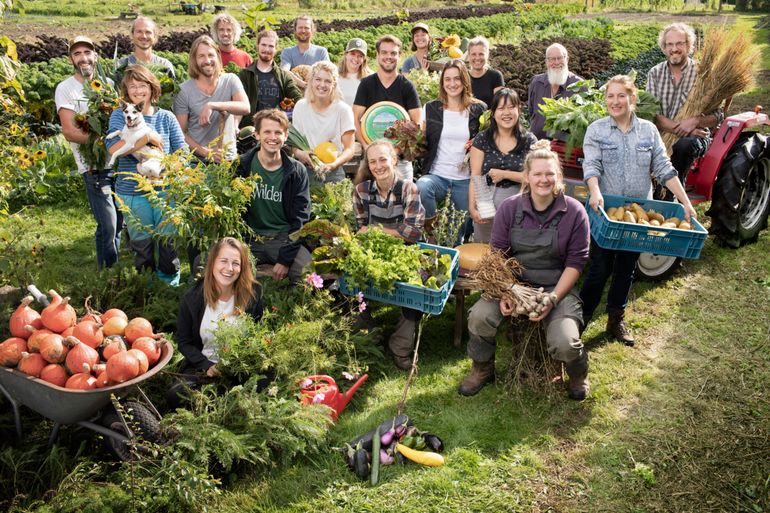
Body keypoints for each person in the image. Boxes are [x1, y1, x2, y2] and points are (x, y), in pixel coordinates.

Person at [459, 139, 591, 400]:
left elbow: (576, 263)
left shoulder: (574, 212)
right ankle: (482, 367)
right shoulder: (510, 209)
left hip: (557, 287)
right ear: (528, 177)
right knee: (479, 317)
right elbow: (498, 256)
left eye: (549, 174)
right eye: (538, 174)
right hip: (513, 283)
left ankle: (578, 373)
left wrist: (552, 299)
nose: (544, 179)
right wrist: (508, 292)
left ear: (559, 177)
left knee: (565, 342)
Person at [580, 75, 697, 346]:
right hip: (606, 212)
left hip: (638, 213)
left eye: (621, 96)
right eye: (610, 96)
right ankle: (581, 319)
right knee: (599, 267)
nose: (615, 101)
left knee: (626, 267)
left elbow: (664, 169)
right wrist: (595, 191)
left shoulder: (648, 131)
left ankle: (615, 319)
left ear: (632, 99)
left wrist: (685, 202)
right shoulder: (596, 130)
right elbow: (592, 166)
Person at [106, 64, 188, 285]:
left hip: (165, 190)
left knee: (167, 242)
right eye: (132, 86)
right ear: (126, 90)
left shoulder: (167, 117)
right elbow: (113, 148)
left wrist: (168, 168)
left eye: (142, 85)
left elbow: (183, 151)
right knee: (142, 243)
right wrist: (148, 137)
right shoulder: (119, 115)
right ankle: (146, 287)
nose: (137, 90)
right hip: (132, 191)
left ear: (152, 88)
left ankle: (169, 286)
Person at [353, 140, 425, 370]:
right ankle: (371, 332)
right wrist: (392, 233)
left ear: (394, 159)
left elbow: (412, 234)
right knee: (349, 281)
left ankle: (400, 346)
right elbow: (359, 231)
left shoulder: (408, 189)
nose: (378, 165)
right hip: (375, 254)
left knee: (415, 289)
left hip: (407, 254)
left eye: (383, 159)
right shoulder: (361, 191)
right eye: (372, 161)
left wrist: (376, 230)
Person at [170, 237, 264, 408]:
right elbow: (184, 342)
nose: (229, 268)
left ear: (242, 267)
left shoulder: (253, 294)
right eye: (224, 261)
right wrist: (207, 366)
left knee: (262, 384)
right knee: (177, 394)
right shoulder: (193, 298)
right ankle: (222, 402)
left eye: (236, 263)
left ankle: (230, 401)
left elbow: (260, 335)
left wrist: (244, 361)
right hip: (204, 366)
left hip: (240, 367)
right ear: (212, 263)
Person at [55, 36, 123, 269]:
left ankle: (109, 272)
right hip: (93, 166)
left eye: (87, 52)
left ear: (95, 56)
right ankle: (109, 275)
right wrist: (101, 142)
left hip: (117, 163)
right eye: (77, 53)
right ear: (71, 59)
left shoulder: (108, 86)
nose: (83, 57)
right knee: (109, 224)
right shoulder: (65, 89)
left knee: (117, 222)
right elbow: (69, 131)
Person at [646, 23, 723, 198]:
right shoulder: (654, 74)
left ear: (689, 45)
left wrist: (695, 122)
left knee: (684, 145)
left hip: (696, 138)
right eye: (670, 45)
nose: (674, 49)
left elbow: (718, 116)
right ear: (664, 48)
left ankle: (673, 197)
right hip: (661, 137)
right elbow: (652, 114)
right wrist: (680, 129)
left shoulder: (703, 74)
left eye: (679, 43)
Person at [237, 109, 312, 282]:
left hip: (283, 239)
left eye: (278, 132)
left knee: (306, 271)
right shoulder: (242, 166)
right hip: (249, 239)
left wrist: (285, 260)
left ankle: (291, 306)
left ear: (286, 136)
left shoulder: (296, 171)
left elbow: (301, 218)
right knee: (204, 263)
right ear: (256, 135)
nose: (273, 137)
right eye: (267, 132)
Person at [417, 60, 486, 242]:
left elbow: (488, 143)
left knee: (456, 238)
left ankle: (452, 252)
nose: (452, 84)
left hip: (465, 180)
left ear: (464, 81)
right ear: (442, 83)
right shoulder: (431, 108)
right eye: (447, 79)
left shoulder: (479, 109)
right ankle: (432, 230)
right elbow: (421, 140)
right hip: (438, 175)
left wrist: (476, 143)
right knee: (422, 186)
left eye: (457, 79)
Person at [468, 88, 537, 243]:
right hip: (485, 199)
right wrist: (472, 207)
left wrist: (505, 174)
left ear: (519, 110)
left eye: (511, 107)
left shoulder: (529, 140)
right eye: (501, 108)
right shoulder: (482, 139)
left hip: (518, 202)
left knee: (511, 249)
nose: (507, 113)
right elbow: (475, 176)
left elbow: (536, 177)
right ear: (493, 113)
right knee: (484, 249)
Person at [353, 35, 422, 181]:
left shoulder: (407, 86)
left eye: (393, 53)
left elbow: (418, 124)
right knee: (367, 200)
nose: (388, 57)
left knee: (405, 201)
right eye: (384, 52)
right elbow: (355, 119)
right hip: (371, 161)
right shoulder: (366, 84)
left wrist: (395, 151)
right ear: (377, 55)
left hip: (400, 161)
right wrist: (367, 148)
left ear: (400, 56)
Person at [173, 35, 249, 163]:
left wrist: (213, 105)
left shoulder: (230, 80)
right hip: (198, 161)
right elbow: (180, 133)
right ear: (194, 60)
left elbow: (245, 107)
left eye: (211, 55)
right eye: (201, 56)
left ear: (217, 57)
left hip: (227, 158)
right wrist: (206, 152)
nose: (207, 60)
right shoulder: (184, 91)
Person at [290, 61, 356, 184]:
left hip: (333, 173)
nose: (322, 85)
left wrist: (333, 165)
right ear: (311, 81)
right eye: (318, 79)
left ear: (334, 84)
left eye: (328, 81)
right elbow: (294, 145)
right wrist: (300, 153)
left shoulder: (343, 110)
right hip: (305, 171)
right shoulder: (300, 106)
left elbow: (349, 149)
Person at [238, 29, 303, 129]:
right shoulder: (245, 75)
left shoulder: (283, 76)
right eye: (263, 45)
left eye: (271, 46)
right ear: (257, 46)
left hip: (276, 128)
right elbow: (238, 103)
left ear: (276, 49)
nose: (267, 49)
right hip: (251, 129)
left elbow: (296, 96)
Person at [527, 43, 582, 140]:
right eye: (552, 59)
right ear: (546, 62)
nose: (556, 62)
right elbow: (532, 113)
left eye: (560, 58)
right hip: (536, 146)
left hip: (565, 150)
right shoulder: (536, 82)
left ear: (567, 59)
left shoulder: (579, 86)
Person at [280, 15, 330, 89]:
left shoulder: (321, 52)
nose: (303, 31)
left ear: (312, 30)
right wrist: (303, 84)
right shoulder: (288, 52)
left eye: (306, 28)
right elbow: (284, 72)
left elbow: (328, 74)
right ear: (295, 30)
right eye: (300, 28)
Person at [466, 36, 504, 108]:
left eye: (481, 54)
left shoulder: (495, 76)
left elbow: (499, 104)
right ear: (468, 56)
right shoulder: (463, 76)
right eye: (473, 54)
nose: (477, 58)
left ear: (487, 55)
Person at [337, 37, 373, 107]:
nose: (356, 59)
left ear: (364, 59)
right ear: (346, 54)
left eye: (360, 56)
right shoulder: (334, 74)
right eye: (352, 54)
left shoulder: (371, 77)